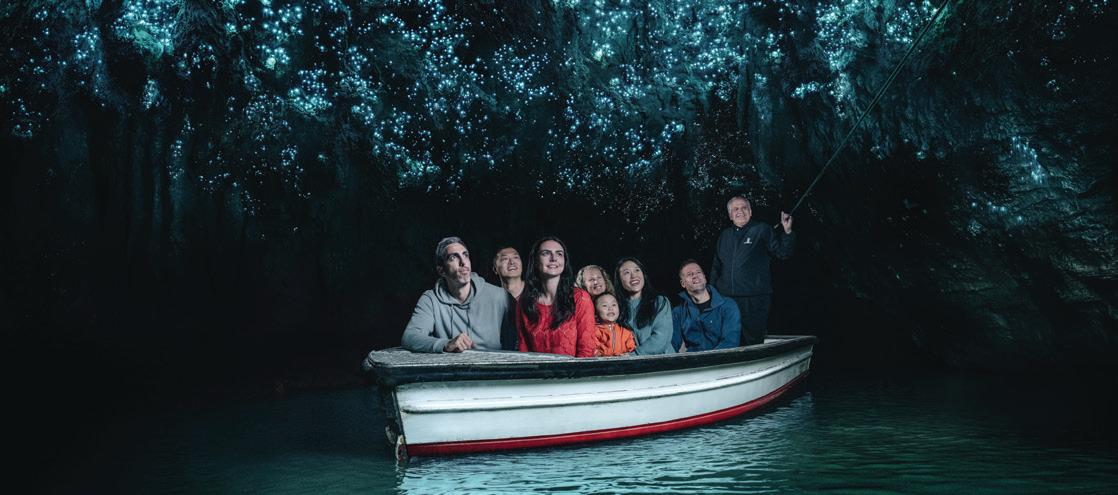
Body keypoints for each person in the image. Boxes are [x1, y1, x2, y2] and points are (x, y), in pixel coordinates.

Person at [401, 236, 516, 353]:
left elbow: (520, 337)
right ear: (441, 270)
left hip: (493, 364)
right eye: (453, 257)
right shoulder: (431, 300)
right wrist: (445, 344)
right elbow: (410, 337)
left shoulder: (500, 296)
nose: (463, 262)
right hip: (451, 364)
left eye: (465, 255)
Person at [710, 195, 794, 345]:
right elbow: (716, 267)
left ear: (750, 212)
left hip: (754, 299)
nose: (740, 211)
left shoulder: (761, 229)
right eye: (735, 209)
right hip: (726, 299)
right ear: (730, 215)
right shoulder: (724, 235)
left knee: (753, 340)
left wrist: (787, 232)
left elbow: (783, 252)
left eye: (744, 208)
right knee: (726, 338)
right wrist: (712, 294)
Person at [516, 236, 598, 357]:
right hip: (537, 369)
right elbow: (523, 349)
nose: (554, 258)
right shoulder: (524, 302)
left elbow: (586, 350)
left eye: (559, 254)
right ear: (535, 261)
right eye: (546, 253)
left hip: (574, 369)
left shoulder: (580, 298)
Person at [671, 260, 741, 352]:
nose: (695, 276)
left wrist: (711, 359)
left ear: (704, 278)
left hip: (723, 359)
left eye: (698, 272)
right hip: (693, 360)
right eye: (689, 274)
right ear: (683, 283)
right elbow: (671, 345)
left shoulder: (728, 306)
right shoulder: (678, 313)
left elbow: (730, 342)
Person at [614, 257, 675, 355]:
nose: (633, 276)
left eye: (637, 270)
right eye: (627, 272)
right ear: (619, 280)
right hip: (631, 363)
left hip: (663, 361)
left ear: (643, 274)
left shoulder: (660, 302)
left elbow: (661, 339)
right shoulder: (616, 309)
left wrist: (634, 355)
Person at [593, 292, 636, 356]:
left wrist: (628, 355)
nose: (610, 308)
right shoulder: (594, 331)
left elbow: (632, 349)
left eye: (613, 305)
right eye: (605, 305)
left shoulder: (625, 332)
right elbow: (593, 349)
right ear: (596, 311)